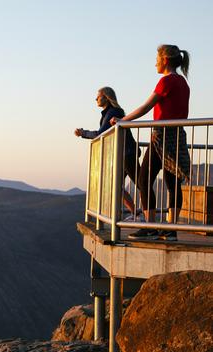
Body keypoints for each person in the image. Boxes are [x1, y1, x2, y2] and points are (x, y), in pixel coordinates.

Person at [110, 45, 191, 240]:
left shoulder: (166, 82)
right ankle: (171, 230)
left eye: (157, 58)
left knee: (145, 179)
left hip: (161, 137)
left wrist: (123, 121)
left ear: (165, 59)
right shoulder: (183, 83)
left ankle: (149, 226)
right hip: (177, 136)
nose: (155, 62)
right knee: (173, 183)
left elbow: (146, 107)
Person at [75, 87, 141, 219]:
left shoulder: (113, 112)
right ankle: (137, 213)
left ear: (106, 97)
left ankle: (142, 216)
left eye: (98, 96)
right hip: (123, 153)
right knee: (115, 186)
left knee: (141, 184)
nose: (96, 99)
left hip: (127, 153)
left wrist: (83, 133)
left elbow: (101, 133)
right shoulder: (109, 112)